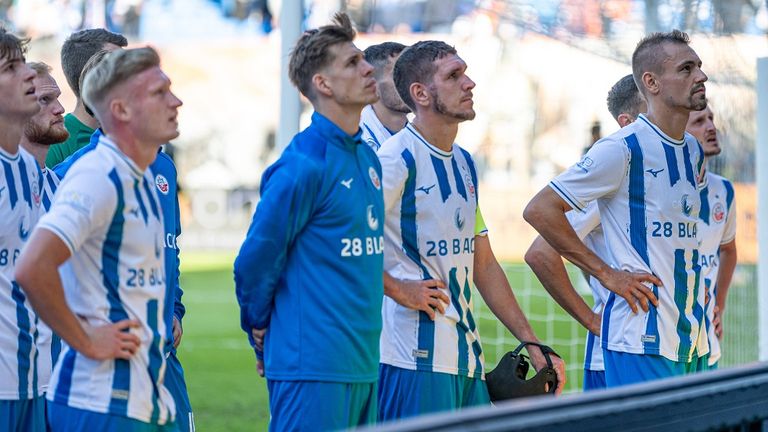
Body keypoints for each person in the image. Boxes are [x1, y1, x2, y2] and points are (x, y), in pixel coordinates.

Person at [376, 40, 565, 421]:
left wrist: (529, 341)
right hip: (414, 359)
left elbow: (484, 264)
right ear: (420, 93)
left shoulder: (463, 163)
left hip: (467, 359)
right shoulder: (394, 160)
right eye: (454, 75)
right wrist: (398, 289)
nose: (470, 83)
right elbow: (343, 242)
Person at [524, 29, 708, 388]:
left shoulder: (692, 151)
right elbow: (540, 210)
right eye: (687, 69)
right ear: (651, 83)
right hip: (640, 339)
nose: (701, 76)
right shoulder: (621, 149)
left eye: (698, 67)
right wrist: (607, 274)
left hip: (691, 339)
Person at [15, 47, 180, 431]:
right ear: (120, 110)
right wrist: (87, 340)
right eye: (159, 93)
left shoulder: (143, 177)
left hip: (144, 396)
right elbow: (32, 267)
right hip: (101, 400)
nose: (176, 101)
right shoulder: (97, 175)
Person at [234, 13, 383, 431]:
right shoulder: (302, 164)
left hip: (363, 362)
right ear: (323, 84)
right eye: (352, 63)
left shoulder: (367, 158)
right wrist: (258, 325)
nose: (368, 67)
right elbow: (254, 260)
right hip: (312, 365)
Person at [525, 73, 646, 391]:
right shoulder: (616, 173)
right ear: (627, 121)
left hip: (674, 345)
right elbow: (541, 253)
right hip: (618, 351)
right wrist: (594, 318)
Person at [0, 28, 46, 432]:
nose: (29, 74)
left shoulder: (31, 170)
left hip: (33, 380)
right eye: (11, 68)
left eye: (24, 63)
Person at [17, 62, 70, 401]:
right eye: (45, 100)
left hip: (57, 381)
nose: (60, 108)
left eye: (58, 98)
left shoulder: (60, 187)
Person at [685, 105, 737, 370]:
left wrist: (720, 304)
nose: (710, 127)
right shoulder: (662, 188)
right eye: (698, 121)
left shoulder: (724, 190)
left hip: (707, 336)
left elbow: (729, 249)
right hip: (671, 337)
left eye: (711, 119)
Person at [45, 28, 127, 168]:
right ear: (94, 75)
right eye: (119, 66)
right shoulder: (53, 143)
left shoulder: (134, 139)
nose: (131, 75)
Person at [360, 41, 409, 151]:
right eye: (398, 74)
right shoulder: (356, 143)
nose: (412, 81)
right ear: (372, 84)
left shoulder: (429, 138)